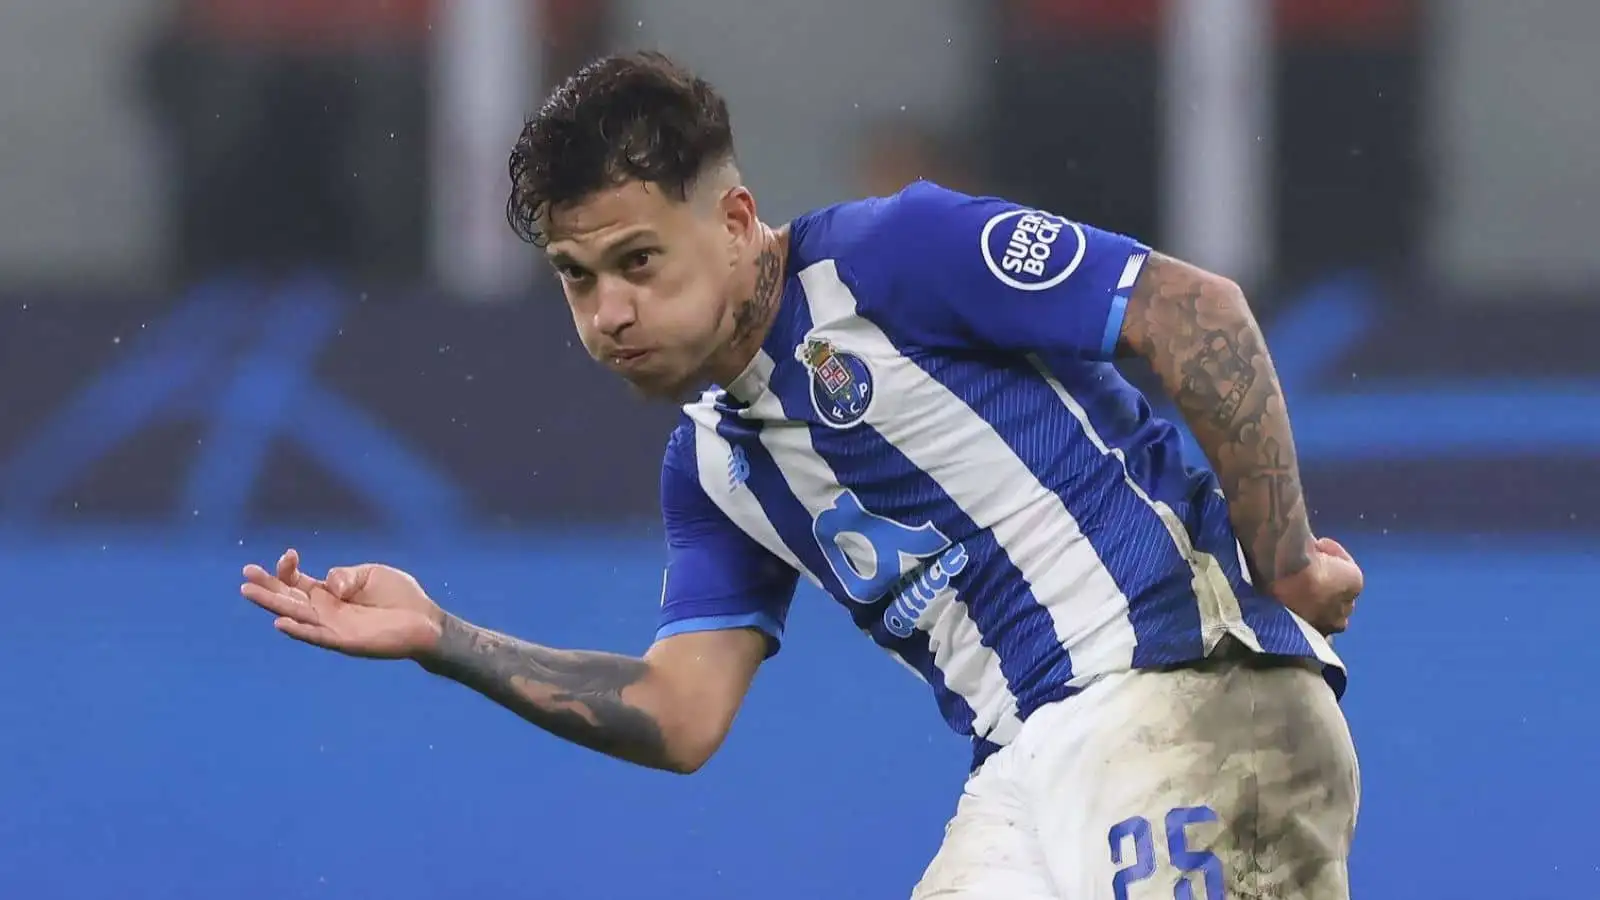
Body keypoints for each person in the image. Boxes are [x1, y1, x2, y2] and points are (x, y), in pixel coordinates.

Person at [239, 51, 1363, 899]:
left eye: (639, 262)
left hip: (1189, 693)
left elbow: (1192, 311)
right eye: (578, 279)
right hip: (1022, 771)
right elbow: (680, 715)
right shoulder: (714, 462)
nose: (610, 312)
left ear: (733, 220)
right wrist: (444, 636)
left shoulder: (892, 256)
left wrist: (1287, 562)